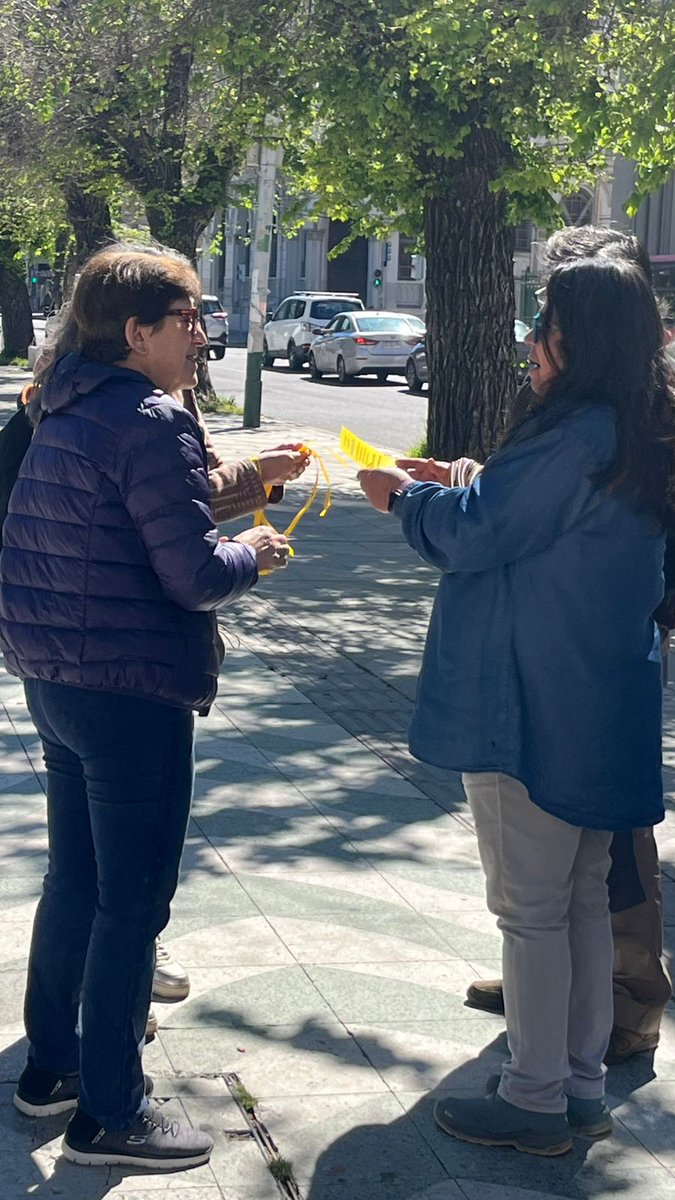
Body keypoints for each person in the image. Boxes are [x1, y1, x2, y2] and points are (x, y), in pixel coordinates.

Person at [359, 256, 674, 1156]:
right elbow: (531, 517)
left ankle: (533, 1096)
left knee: (531, 909)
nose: (531, 343)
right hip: (597, 696)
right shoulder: (636, 426)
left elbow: (477, 532)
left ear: (582, 340)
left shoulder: (576, 432)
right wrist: (469, 479)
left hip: (529, 699)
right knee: (578, 900)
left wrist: (406, 499)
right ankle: (576, 1087)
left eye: (545, 326)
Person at [0, 245, 295, 1170]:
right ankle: (112, 1113)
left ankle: (52, 1070)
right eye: (189, 318)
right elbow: (194, 574)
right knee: (132, 902)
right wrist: (255, 553)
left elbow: (134, 526)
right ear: (137, 332)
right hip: (130, 688)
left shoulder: (63, 402)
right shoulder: (149, 417)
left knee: (75, 881)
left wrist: (246, 486)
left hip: (57, 678)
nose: (201, 334)